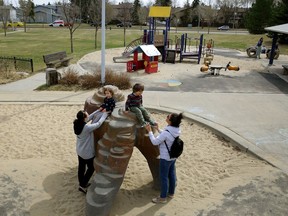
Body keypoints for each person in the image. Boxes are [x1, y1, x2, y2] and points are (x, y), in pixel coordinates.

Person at [145, 112, 183, 204]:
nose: (166, 117)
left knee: (164, 177)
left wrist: (149, 131)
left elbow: (155, 142)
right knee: (172, 174)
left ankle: (162, 198)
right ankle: (171, 193)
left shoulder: (167, 132)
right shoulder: (177, 129)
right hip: (173, 156)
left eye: (168, 117)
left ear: (170, 121)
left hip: (165, 158)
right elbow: (168, 135)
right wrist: (158, 129)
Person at [73, 110, 108, 194]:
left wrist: (98, 110)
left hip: (79, 150)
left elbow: (89, 117)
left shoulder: (77, 123)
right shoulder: (86, 128)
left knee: (81, 168)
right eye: (86, 115)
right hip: (86, 152)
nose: (88, 115)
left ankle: (81, 183)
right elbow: (98, 124)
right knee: (91, 168)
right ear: (84, 118)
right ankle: (83, 185)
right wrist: (104, 114)